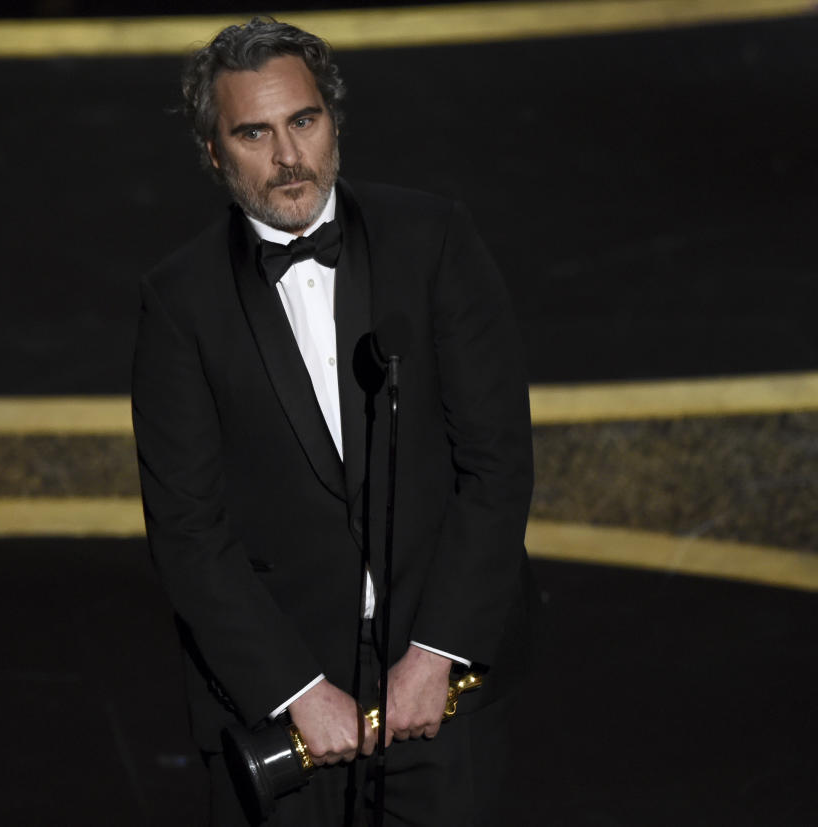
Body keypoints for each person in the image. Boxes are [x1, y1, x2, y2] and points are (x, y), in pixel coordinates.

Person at [131, 17, 536, 826]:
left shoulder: (433, 240)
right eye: (255, 132)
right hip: (280, 710)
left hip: (442, 689)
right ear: (214, 151)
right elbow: (186, 526)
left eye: (304, 122)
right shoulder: (180, 301)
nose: (289, 157)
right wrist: (295, 690)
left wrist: (436, 650)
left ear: (333, 121)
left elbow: (496, 462)